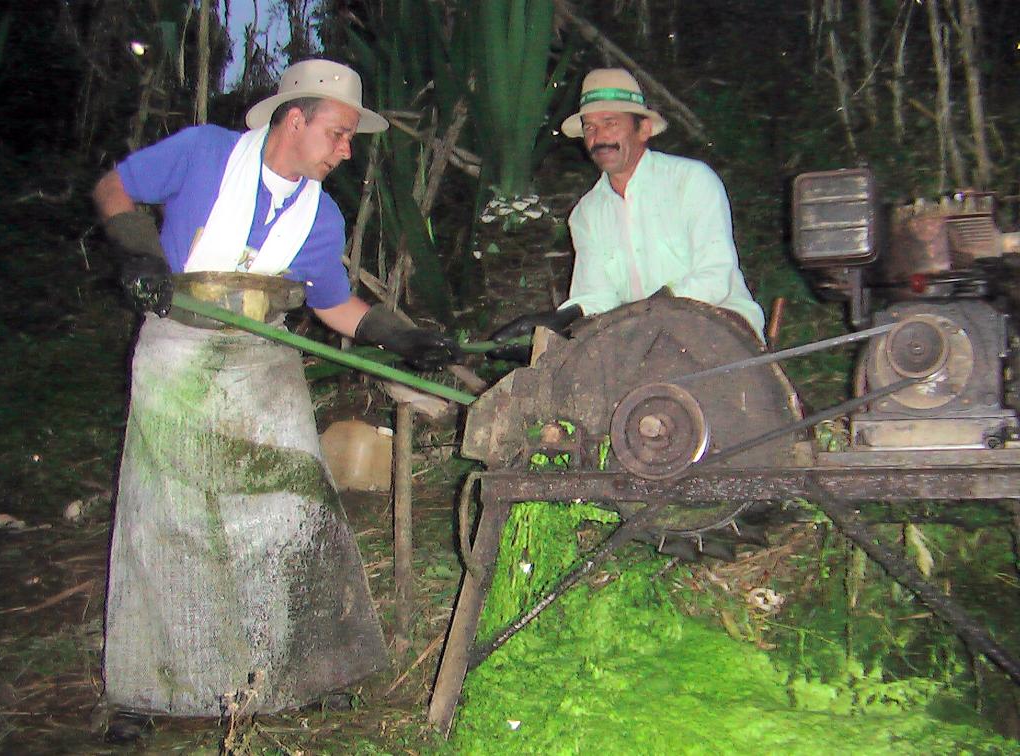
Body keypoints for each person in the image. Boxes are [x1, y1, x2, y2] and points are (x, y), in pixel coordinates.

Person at [92, 59, 459, 719]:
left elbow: (334, 304)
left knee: (291, 508)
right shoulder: (204, 152)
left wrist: (399, 336)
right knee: (169, 519)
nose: (346, 151)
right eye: (338, 134)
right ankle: (150, 691)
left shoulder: (319, 216)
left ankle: (299, 674)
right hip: (178, 353)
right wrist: (138, 253)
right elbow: (113, 187)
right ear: (296, 119)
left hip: (264, 359)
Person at [492, 67, 765, 351]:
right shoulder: (587, 214)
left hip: (720, 325)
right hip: (641, 340)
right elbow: (596, 297)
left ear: (644, 129)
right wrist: (558, 320)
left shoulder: (691, 181)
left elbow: (715, 276)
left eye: (611, 123)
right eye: (590, 127)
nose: (599, 137)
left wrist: (649, 313)